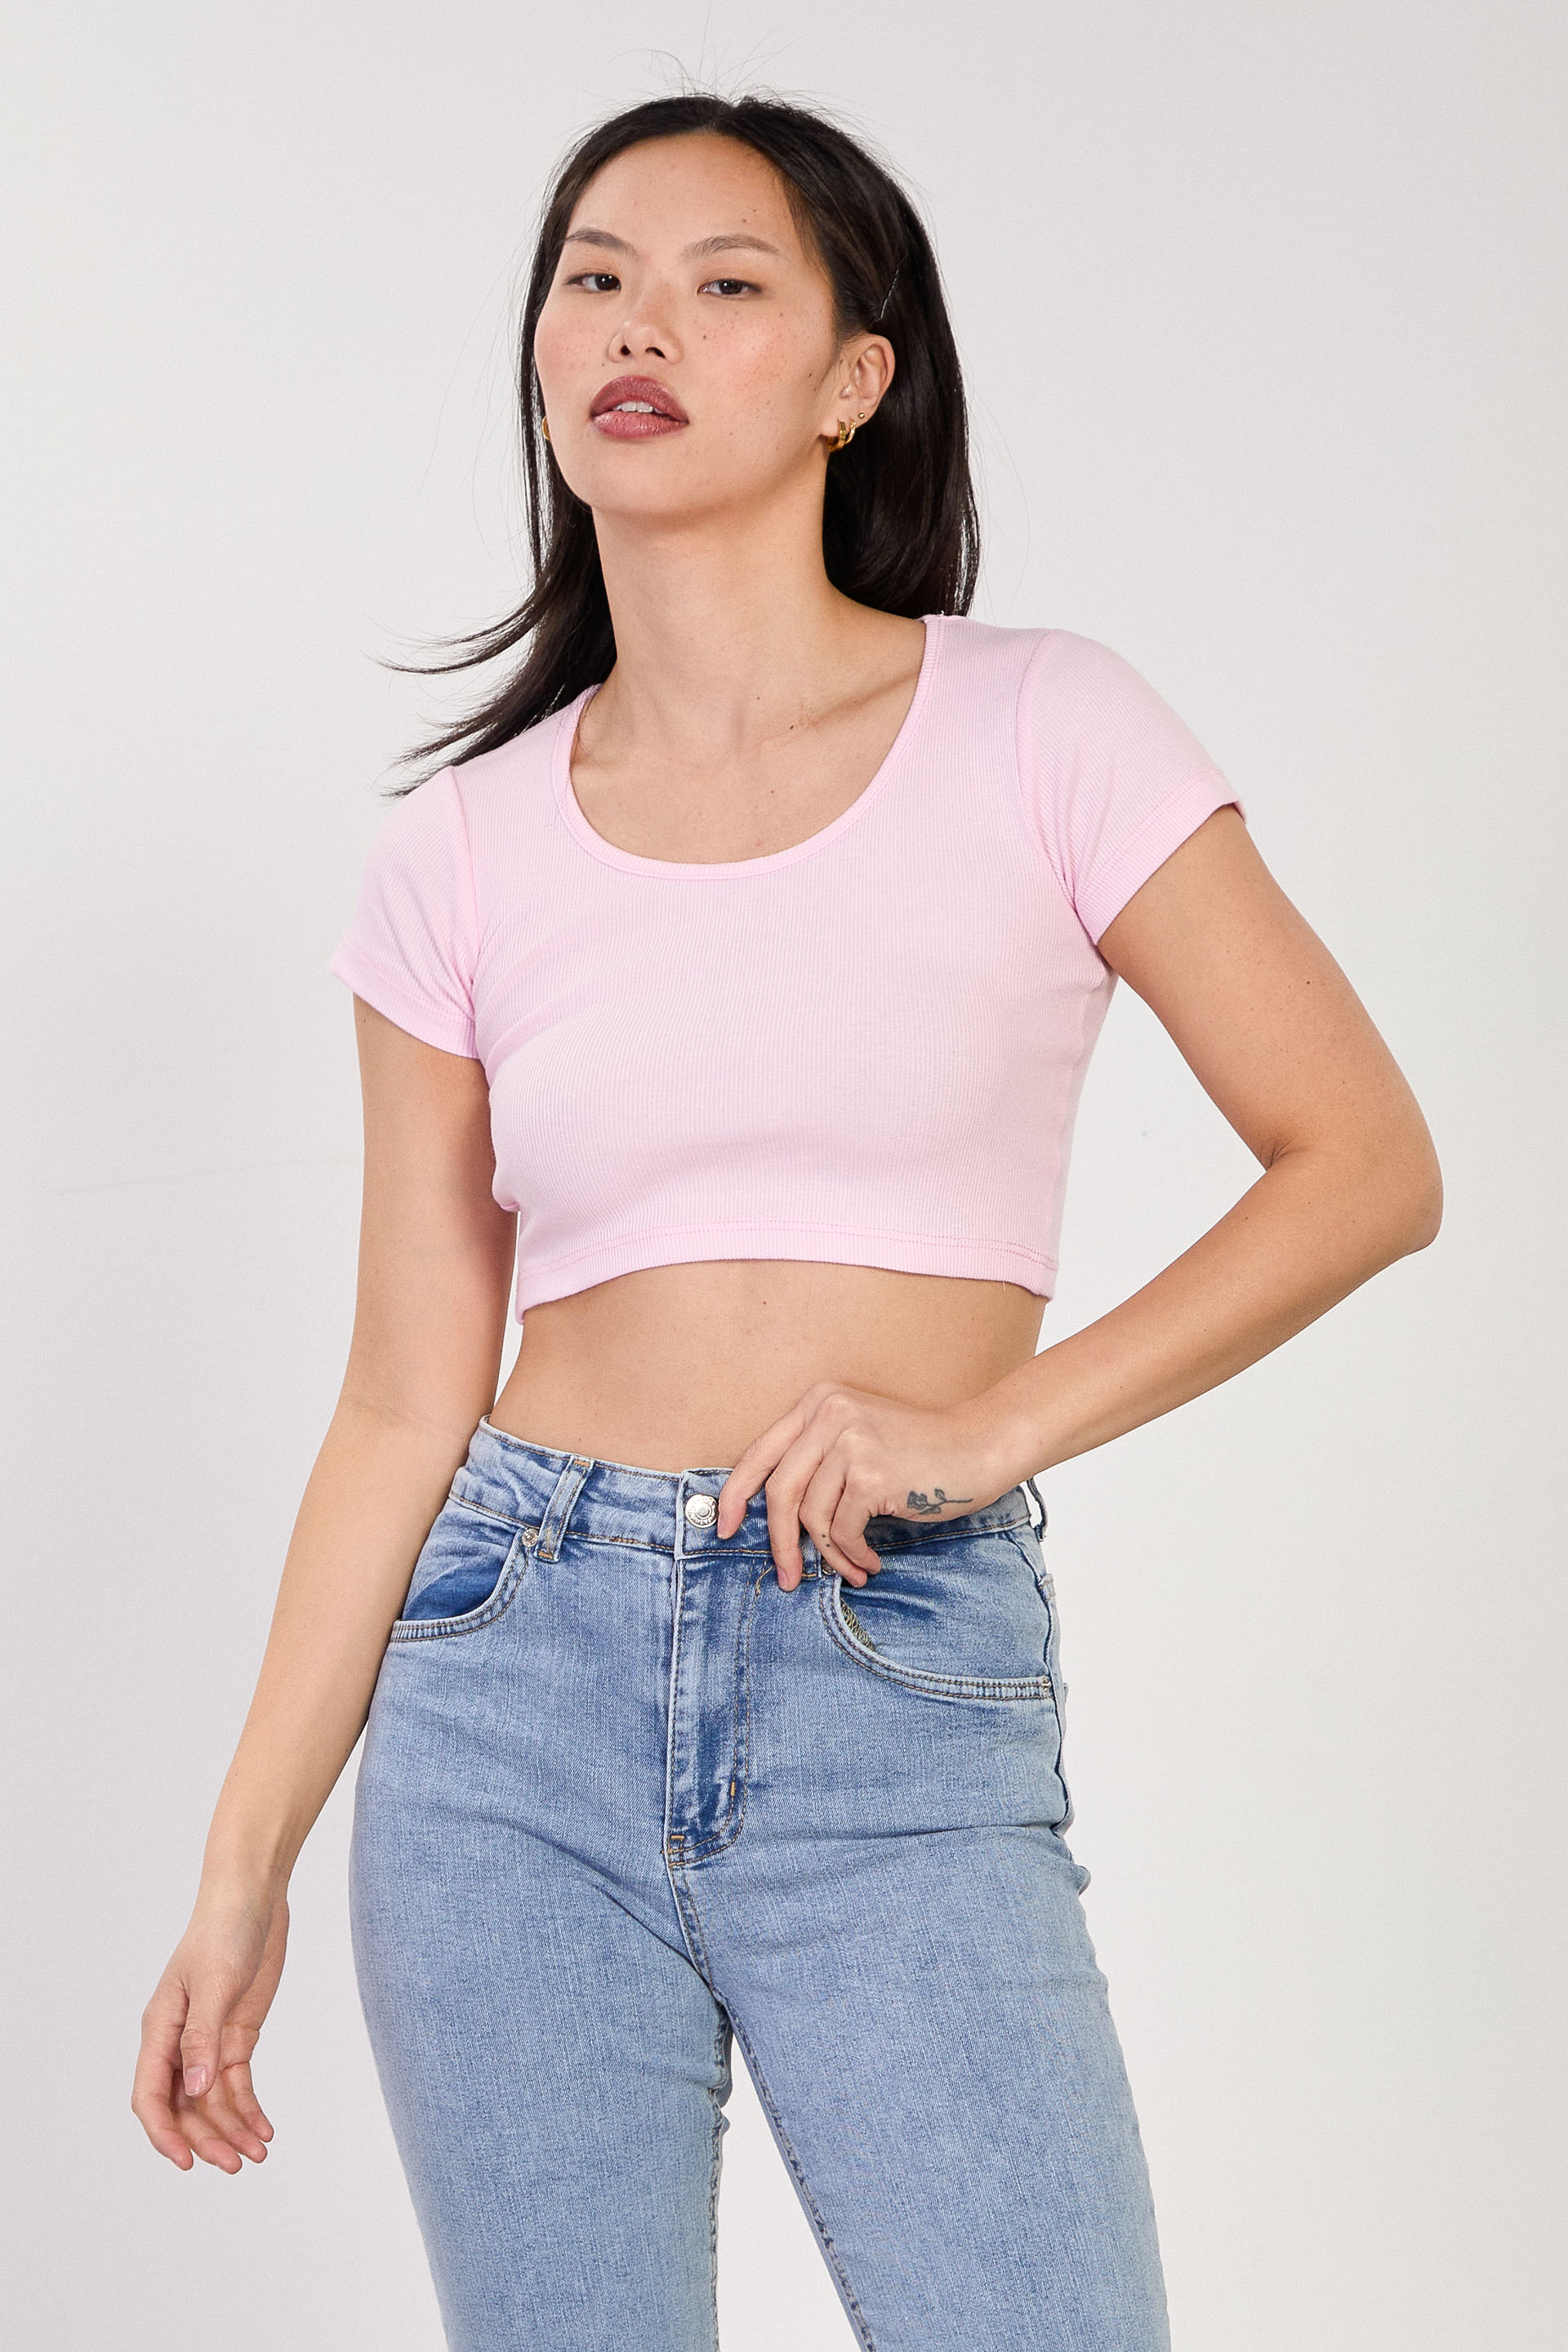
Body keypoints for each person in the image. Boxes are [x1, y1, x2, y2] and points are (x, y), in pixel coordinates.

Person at [131, 90, 1442, 2352]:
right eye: (594, 278)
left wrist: (992, 1427)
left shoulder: (1043, 730)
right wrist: (241, 1860)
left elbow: (1366, 1160)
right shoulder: (462, 851)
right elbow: (403, 1396)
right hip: (505, 1689)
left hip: (887, 1659)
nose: (637, 325)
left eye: (724, 283)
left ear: (857, 377)